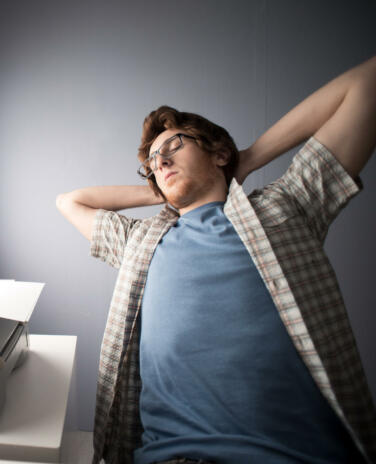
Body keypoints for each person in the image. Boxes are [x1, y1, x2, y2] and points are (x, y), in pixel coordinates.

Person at [56, 55, 376, 464]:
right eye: (152, 163)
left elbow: (366, 84)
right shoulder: (141, 244)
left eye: (174, 146)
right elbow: (70, 202)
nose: (161, 161)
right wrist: (159, 190)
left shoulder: (285, 207)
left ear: (219, 153)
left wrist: (249, 157)